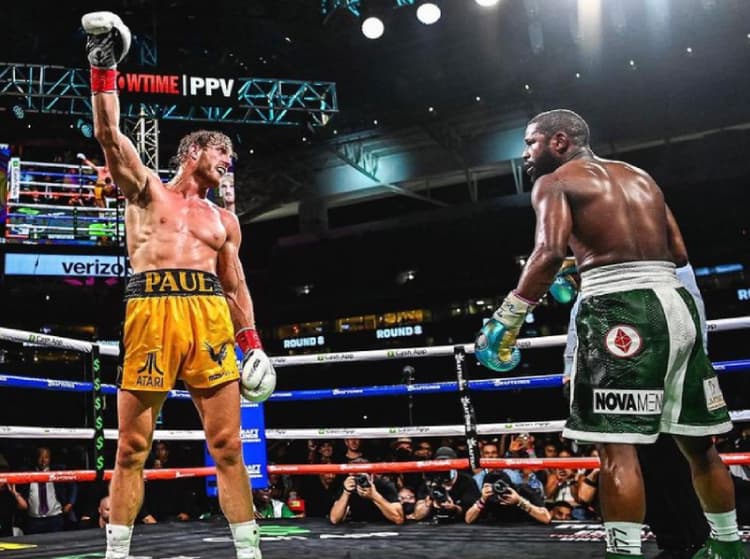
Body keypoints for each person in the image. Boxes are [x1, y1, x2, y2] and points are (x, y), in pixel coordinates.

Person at [476, 109, 744, 558]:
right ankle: (729, 547)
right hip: (676, 304)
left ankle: (624, 554)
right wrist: (589, 263)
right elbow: (678, 252)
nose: (525, 154)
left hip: (618, 311)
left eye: (531, 143)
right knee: (699, 447)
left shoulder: (555, 182)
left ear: (559, 141)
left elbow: (547, 252)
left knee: (617, 451)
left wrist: (508, 318)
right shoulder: (641, 177)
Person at [82, 11, 275, 559]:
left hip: (209, 318)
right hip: (150, 311)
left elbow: (235, 286)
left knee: (228, 446)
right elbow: (109, 134)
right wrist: (103, 68)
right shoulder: (147, 192)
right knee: (131, 447)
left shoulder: (225, 220)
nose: (229, 162)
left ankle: (249, 552)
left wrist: (252, 342)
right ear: (195, 151)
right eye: (222, 152)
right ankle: (117, 553)